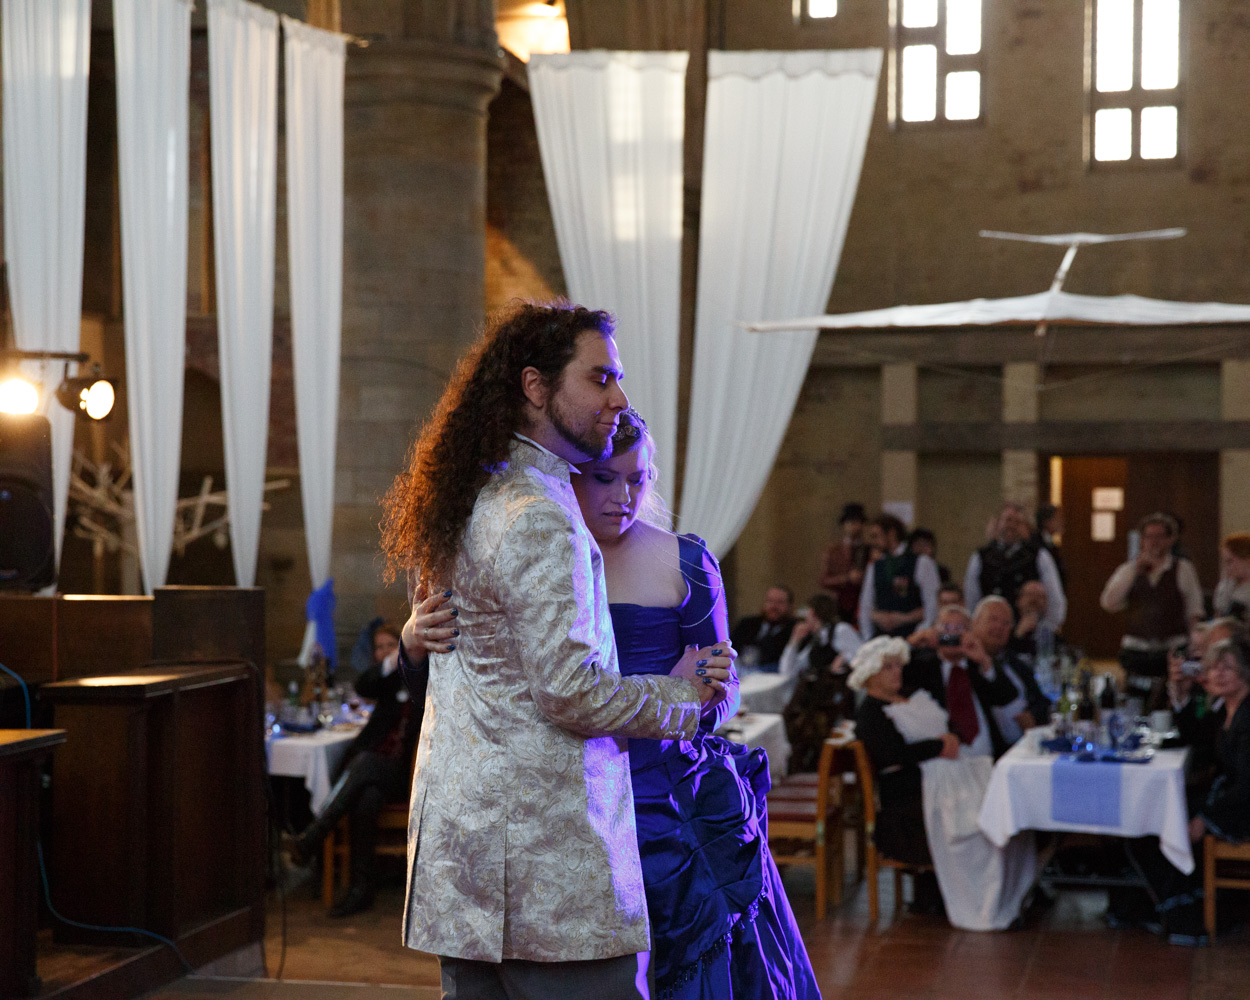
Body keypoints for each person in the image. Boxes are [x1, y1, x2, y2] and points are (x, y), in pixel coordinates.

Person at [379, 303, 734, 998]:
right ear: (537, 387)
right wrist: (688, 699)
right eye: (600, 378)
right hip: (544, 871)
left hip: (468, 861)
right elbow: (570, 690)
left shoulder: (474, 496)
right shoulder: (541, 516)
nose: (618, 399)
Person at [410, 408, 820, 998]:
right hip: (561, 798)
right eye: (605, 478)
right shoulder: (535, 551)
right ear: (569, 475)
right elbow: (480, 677)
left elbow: (717, 691)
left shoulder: (686, 561)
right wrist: (410, 640)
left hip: (668, 802)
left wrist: (708, 698)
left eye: (639, 479)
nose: (624, 496)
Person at [285, 623, 428, 917]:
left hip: (404, 775)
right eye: (379, 647)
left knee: (363, 763)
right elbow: (363, 685)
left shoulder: (422, 674)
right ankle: (360, 890)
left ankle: (312, 837)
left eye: (391, 645)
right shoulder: (386, 679)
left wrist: (405, 654)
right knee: (366, 800)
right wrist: (390, 660)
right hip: (376, 773)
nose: (384, 651)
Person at [851, 637, 956, 915]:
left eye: (898, 665)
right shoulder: (871, 714)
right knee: (964, 804)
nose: (897, 672)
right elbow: (892, 754)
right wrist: (938, 746)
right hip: (905, 802)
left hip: (927, 781)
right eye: (888, 667)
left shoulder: (904, 697)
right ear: (871, 674)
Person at [1100, 512, 1203, 695]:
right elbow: (1108, 602)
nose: (1153, 542)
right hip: (1137, 650)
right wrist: (1134, 571)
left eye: (1159, 536)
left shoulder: (1182, 569)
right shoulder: (1129, 569)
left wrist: (1194, 645)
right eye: (1148, 536)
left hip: (1171, 649)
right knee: (1135, 698)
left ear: (1171, 539)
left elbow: (1194, 609)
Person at [904, 604, 1021, 759]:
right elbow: (892, 674)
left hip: (986, 755)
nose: (952, 634)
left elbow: (1008, 697)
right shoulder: (921, 666)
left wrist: (984, 662)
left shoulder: (978, 664)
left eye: (959, 629)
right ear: (934, 631)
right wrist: (911, 643)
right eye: (946, 628)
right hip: (944, 758)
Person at [781, 593, 860, 772]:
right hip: (816, 699)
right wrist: (794, 642)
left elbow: (860, 657)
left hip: (837, 701)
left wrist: (844, 660)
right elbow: (787, 672)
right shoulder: (815, 640)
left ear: (814, 613)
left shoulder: (840, 631)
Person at [963, 503, 1066, 633]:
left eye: (1017, 522)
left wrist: (1047, 629)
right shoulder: (980, 557)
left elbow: (1054, 598)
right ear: (997, 523)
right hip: (991, 629)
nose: (1010, 526)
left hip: (1028, 631)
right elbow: (972, 597)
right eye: (1007, 520)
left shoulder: (1039, 556)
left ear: (1025, 527)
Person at [970, 596, 1052, 748]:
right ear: (974, 624)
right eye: (993, 619)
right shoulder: (966, 666)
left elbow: (1043, 703)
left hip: (1025, 746)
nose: (999, 627)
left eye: (1006, 623)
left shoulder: (1017, 664)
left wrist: (1033, 715)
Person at [858, 513, 940, 640]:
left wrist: (920, 633)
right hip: (882, 638)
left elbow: (932, 603)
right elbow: (866, 604)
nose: (873, 542)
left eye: (876, 536)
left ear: (891, 533)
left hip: (914, 637)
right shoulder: (874, 566)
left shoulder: (921, 562)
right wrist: (868, 637)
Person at [819, 502, 869, 621]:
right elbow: (824, 580)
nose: (853, 526)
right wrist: (847, 578)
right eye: (850, 522)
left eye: (857, 522)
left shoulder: (868, 550)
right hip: (840, 604)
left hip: (863, 602)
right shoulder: (833, 551)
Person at [730, 585, 798, 671]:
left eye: (780, 602)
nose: (774, 606)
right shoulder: (747, 624)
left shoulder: (793, 630)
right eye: (770, 601)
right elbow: (731, 648)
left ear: (790, 606)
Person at [1214, 532, 1250, 625]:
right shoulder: (1226, 586)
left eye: (1230, 562)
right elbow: (1218, 617)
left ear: (1246, 559)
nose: (1227, 567)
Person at [1034, 503, 1067, 588]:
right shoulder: (1037, 545)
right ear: (1047, 522)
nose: (1062, 522)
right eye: (1057, 519)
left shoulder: (1052, 544)